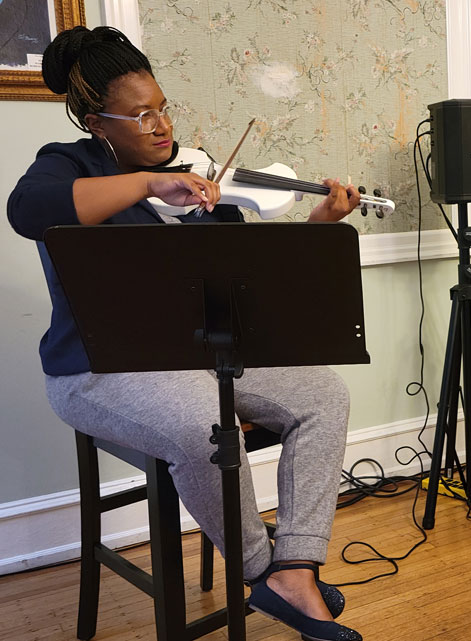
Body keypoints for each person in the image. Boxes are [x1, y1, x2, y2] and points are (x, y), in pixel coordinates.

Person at [7, 26, 363, 641]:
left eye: (163, 108)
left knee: (323, 395)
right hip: (95, 370)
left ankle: (297, 565)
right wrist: (147, 184)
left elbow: (252, 286)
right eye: (141, 116)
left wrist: (319, 222)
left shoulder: (196, 187)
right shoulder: (69, 165)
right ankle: (262, 571)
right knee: (205, 423)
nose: (161, 126)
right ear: (98, 123)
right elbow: (27, 211)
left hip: (199, 357)